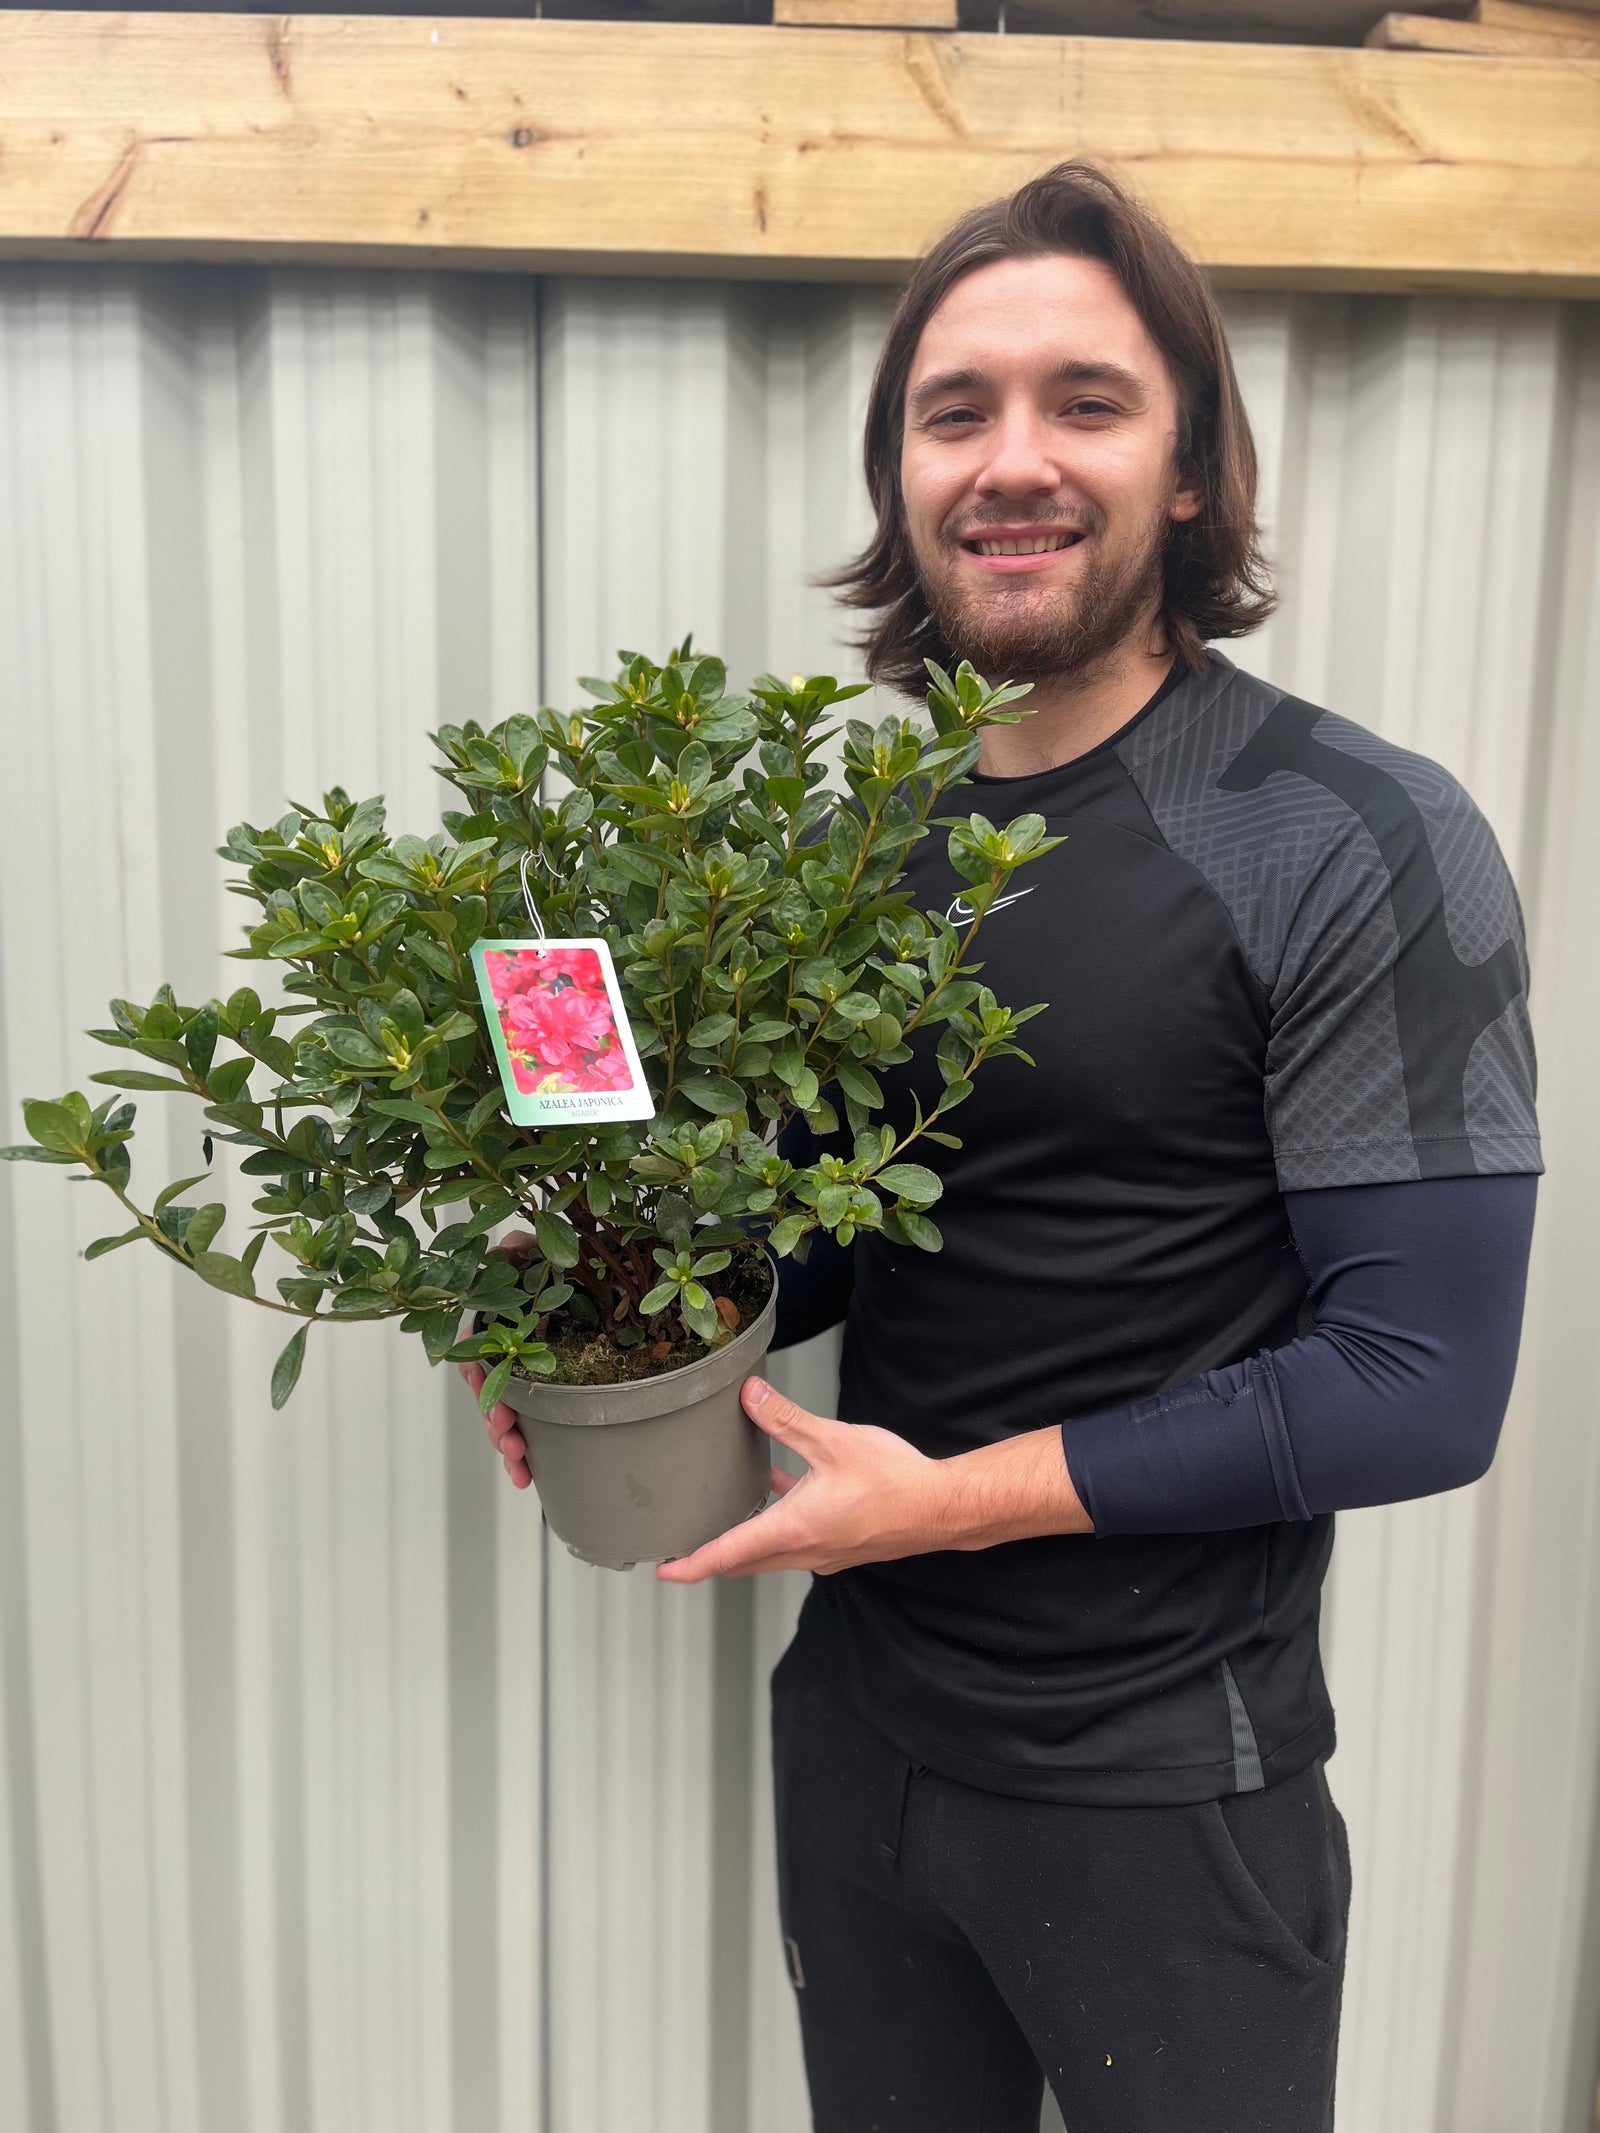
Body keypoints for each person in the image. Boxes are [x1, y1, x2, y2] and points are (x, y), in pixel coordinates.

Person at [465, 162, 1541, 2133]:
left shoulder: (1337, 830)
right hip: (860, 1733)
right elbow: (851, 1232)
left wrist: (934, 1499)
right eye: (952, 410)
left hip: (1162, 1788)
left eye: (1084, 401)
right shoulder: (855, 842)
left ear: (1193, 467)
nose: (1009, 459)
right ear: (899, 475)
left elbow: (1416, 1385)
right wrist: (618, 1323)